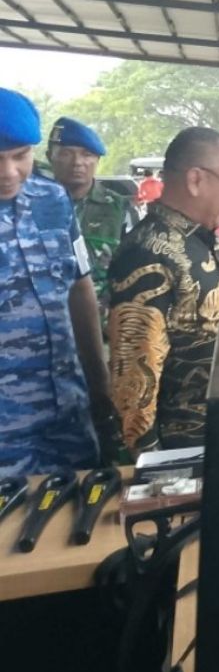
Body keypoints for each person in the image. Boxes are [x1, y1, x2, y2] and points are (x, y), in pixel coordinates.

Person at [108, 127, 219, 454]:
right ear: (196, 179)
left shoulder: (206, 239)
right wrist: (157, 476)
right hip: (185, 450)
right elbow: (135, 389)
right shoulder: (147, 253)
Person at [0, 88, 113, 478]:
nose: (9, 173)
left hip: (67, 407)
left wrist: (98, 379)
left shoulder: (52, 200)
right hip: (5, 425)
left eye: (20, 157)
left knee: (78, 516)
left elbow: (80, 286)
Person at [45, 117, 135, 342]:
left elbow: (131, 276)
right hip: (41, 334)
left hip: (99, 333)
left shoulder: (120, 210)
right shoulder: (30, 206)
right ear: (50, 157)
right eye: (67, 153)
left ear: (97, 160)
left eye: (87, 155)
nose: (78, 162)